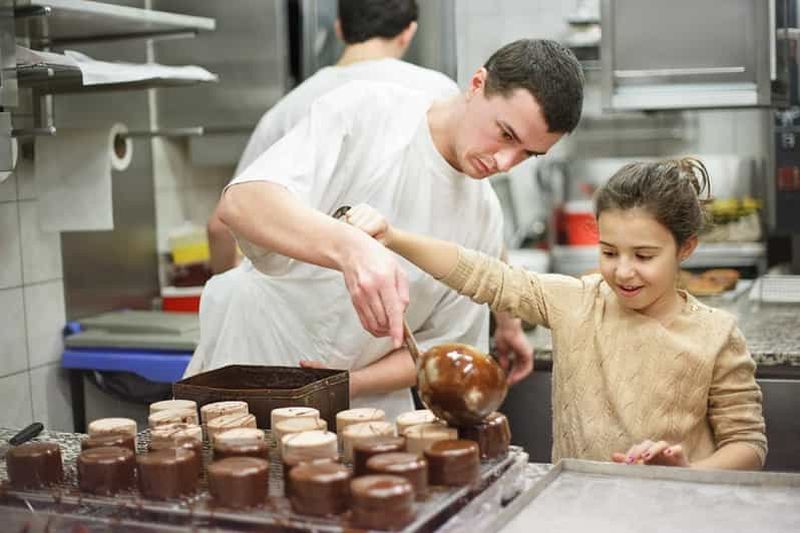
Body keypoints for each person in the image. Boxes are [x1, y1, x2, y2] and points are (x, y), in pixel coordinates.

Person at [185, 39, 584, 421]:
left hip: (359, 399)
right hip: (253, 361)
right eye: (506, 134)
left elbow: (441, 346)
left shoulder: (483, 215)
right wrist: (350, 250)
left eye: (527, 154)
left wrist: (346, 384)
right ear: (477, 84)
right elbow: (241, 204)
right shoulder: (369, 113)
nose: (504, 162)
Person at [344, 157, 767, 469]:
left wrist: (686, 475)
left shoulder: (716, 334)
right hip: (577, 510)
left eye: (644, 255)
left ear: (686, 248)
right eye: (608, 251)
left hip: (675, 515)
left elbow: (747, 444)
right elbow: (485, 275)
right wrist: (393, 236)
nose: (622, 270)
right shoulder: (576, 302)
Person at [208, 0, 459, 275]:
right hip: (419, 294)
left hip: (309, 309)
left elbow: (221, 226)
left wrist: (224, 284)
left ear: (339, 29)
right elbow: (478, 214)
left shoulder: (289, 108)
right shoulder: (441, 94)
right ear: (409, 32)